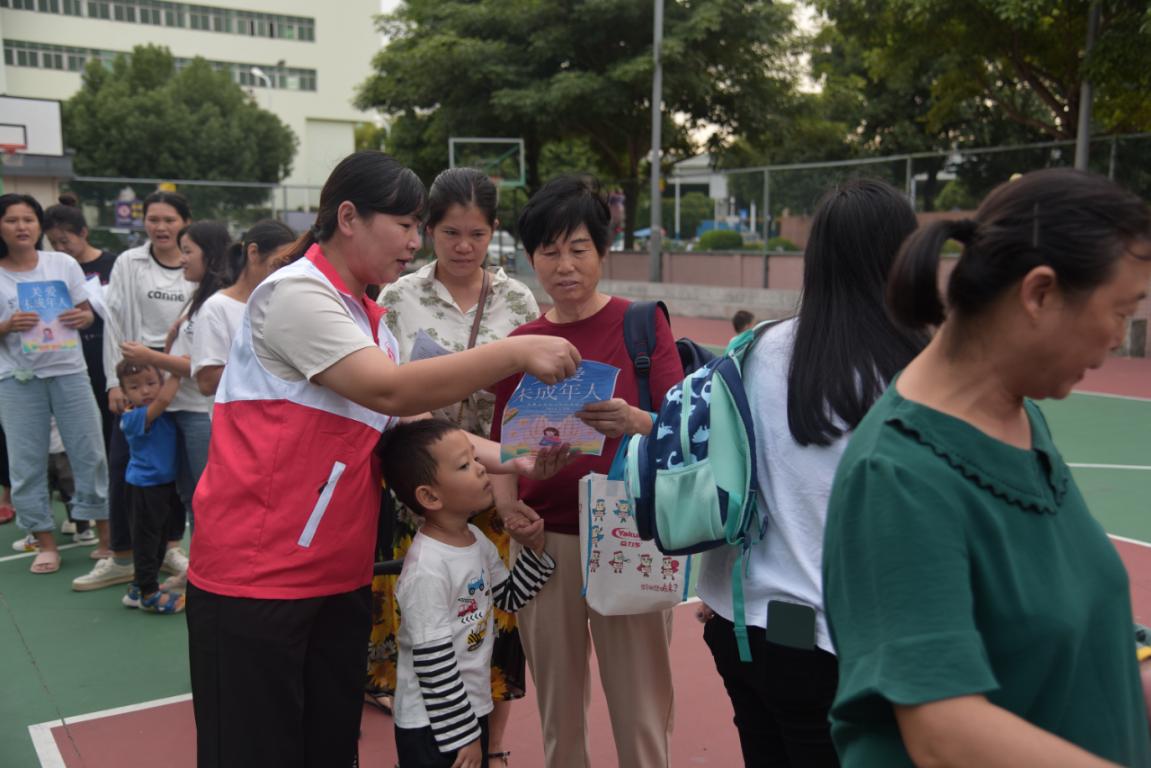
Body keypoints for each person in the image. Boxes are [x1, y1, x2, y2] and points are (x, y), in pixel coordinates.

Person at [185, 150, 579, 768]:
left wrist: (520, 458)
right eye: (407, 224)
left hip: (339, 570)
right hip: (258, 574)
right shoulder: (295, 296)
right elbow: (390, 390)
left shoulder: (370, 319)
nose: (415, 241)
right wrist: (515, 353)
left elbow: (418, 427)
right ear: (349, 217)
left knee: (329, 748)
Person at [823, 168, 1151, 767]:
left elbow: (1070, 631)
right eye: (1121, 312)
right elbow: (944, 733)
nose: (1118, 340)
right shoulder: (898, 477)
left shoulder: (1022, 419)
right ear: (1041, 293)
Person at [696, 180, 927, 767]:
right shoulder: (911, 370)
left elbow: (722, 473)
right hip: (832, 636)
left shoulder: (752, 349)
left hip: (737, 620)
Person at [490, 175, 683, 768]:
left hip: (630, 534)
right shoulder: (521, 343)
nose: (564, 265)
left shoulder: (642, 326)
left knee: (641, 707)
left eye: (578, 248)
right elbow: (503, 447)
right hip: (546, 541)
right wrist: (506, 505)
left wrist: (632, 418)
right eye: (549, 251)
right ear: (531, 259)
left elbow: (682, 427)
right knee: (559, 712)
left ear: (603, 251)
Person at [372, 168, 540, 760]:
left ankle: (491, 751)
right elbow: (385, 391)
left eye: (476, 234)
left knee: (495, 626)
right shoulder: (399, 296)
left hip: (492, 482)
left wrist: (517, 475)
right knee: (430, 628)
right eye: (450, 233)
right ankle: (441, 740)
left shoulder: (517, 299)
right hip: (423, 486)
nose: (464, 247)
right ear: (428, 231)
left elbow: (525, 404)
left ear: (493, 232)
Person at [380, 418, 556, 768]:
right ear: (430, 496)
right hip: (432, 723)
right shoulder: (427, 569)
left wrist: (534, 550)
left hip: (469, 710)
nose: (480, 470)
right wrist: (466, 736)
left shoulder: (475, 540)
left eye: (477, 459)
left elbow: (507, 597)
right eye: (465, 465)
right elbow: (434, 664)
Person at [74, 190, 195, 592]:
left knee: (175, 467)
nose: (160, 227)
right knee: (127, 464)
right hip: (137, 376)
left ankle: (169, 548)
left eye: (169, 220)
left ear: (184, 224)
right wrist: (114, 381)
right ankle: (121, 556)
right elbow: (115, 322)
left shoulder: (197, 267)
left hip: (181, 378)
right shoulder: (130, 262)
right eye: (153, 219)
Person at [0, 193, 109, 574]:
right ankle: (44, 541)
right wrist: (8, 325)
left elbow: (86, 314)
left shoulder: (61, 263)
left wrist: (83, 319)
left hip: (69, 371)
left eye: (28, 219)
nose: (21, 227)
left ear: (38, 225)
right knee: (26, 462)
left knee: (90, 452)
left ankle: (106, 537)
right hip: (17, 379)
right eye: (12, 220)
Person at [44, 195, 118, 445]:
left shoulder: (113, 264)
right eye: (54, 243)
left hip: (105, 354)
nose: (61, 248)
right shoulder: (52, 269)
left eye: (65, 241)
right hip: (70, 356)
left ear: (83, 233)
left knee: (110, 423)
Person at [191, 219, 295, 397]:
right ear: (253, 253)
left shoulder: (288, 304)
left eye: (291, 264)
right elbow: (207, 382)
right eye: (279, 263)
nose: (285, 272)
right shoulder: (217, 308)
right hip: (236, 420)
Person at [115, 359, 185, 613]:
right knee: (147, 542)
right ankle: (148, 594)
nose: (144, 391)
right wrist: (178, 373)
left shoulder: (163, 415)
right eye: (134, 387)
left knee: (159, 541)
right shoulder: (132, 418)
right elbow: (163, 400)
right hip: (144, 488)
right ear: (124, 393)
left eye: (151, 383)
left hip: (164, 486)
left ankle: (139, 586)